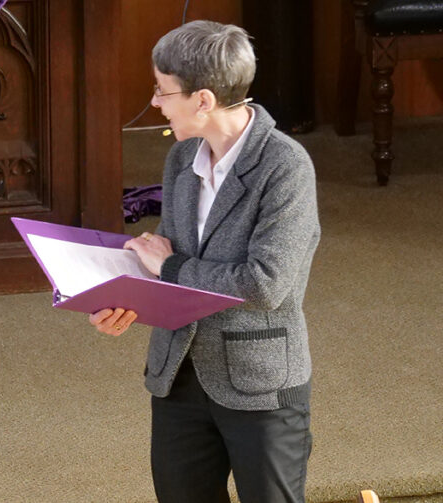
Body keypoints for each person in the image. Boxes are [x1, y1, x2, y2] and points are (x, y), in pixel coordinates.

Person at [90, 21, 320, 503]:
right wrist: (122, 301)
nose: (154, 102)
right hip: (178, 374)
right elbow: (170, 267)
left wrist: (168, 268)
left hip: (258, 383)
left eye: (162, 90)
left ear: (203, 100)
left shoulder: (286, 167)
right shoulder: (181, 159)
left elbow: (264, 285)